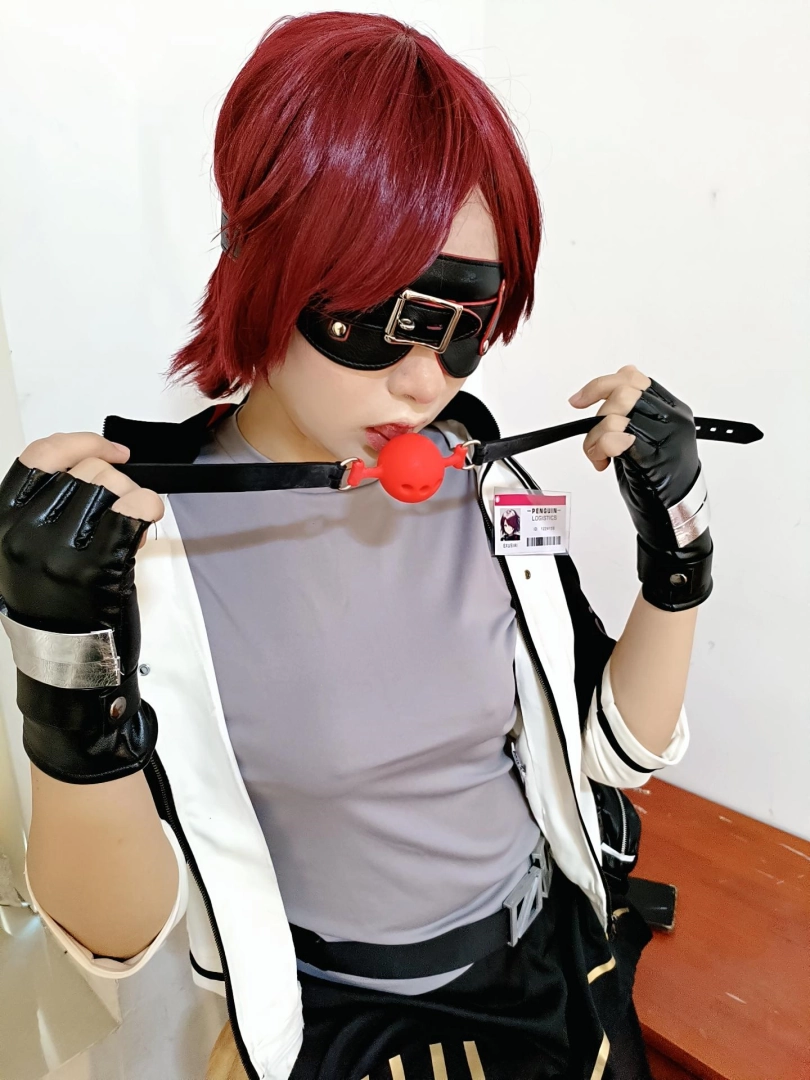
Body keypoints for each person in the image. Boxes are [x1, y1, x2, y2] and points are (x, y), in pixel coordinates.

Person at [0, 12, 713, 1080]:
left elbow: (617, 752)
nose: (427, 383)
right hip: (339, 1021)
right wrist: (64, 667)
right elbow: (115, 937)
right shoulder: (145, 544)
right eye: (391, 316)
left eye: (466, 328)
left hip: (555, 963)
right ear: (269, 263)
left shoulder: (485, 478)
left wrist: (680, 552)